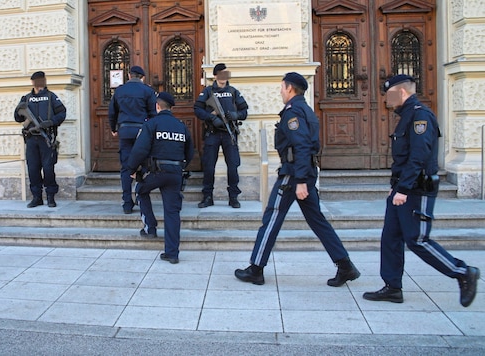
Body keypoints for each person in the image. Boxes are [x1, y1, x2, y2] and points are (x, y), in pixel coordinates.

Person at [363, 75, 479, 306]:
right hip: (402, 188)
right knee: (391, 238)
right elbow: (403, 158)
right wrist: (394, 186)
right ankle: (392, 287)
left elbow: (418, 157)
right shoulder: (406, 116)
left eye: (389, 93)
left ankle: (462, 272)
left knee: (417, 239)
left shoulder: (420, 116)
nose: (386, 99)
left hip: (417, 189)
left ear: (401, 92)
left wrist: (403, 189)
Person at [235, 72, 360, 286]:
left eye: (282, 87)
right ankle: (345, 266)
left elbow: (301, 146)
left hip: (294, 175)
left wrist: (300, 180)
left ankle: (256, 268)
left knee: (272, 218)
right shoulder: (306, 110)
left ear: (290, 88)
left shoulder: (293, 112)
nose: (280, 91)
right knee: (318, 221)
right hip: (304, 173)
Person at [126, 92, 194, 264]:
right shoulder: (181, 126)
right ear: (171, 107)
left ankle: (150, 228)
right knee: (172, 213)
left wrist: (132, 169)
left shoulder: (152, 124)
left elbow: (140, 150)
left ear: (157, 106)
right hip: (176, 173)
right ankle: (172, 253)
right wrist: (180, 167)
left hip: (157, 172)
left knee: (140, 190)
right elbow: (190, 152)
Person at [194, 63, 248, 209]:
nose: (224, 77)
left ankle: (233, 197)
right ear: (215, 75)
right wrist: (211, 118)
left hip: (229, 133)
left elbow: (244, 111)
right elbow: (198, 109)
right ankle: (207, 197)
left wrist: (235, 115)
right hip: (213, 132)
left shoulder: (233, 91)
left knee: (232, 166)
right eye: (221, 74)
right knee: (209, 166)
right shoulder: (208, 92)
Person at [108, 66, 158, 214]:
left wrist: (114, 128)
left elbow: (112, 112)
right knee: (144, 165)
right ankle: (142, 198)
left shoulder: (119, 90)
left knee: (126, 168)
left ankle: (127, 203)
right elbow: (153, 113)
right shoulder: (148, 91)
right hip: (142, 132)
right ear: (142, 77)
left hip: (125, 131)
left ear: (129, 76)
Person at [14, 71, 67, 208]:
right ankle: (37, 197)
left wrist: (50, 122)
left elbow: (62, 113)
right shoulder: (26, 98)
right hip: (31, 139)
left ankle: (50, 197)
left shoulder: (51, 97)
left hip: (46, 138)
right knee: (33, 169)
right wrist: (20, 112)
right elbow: (18, 117)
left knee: (48, 169)